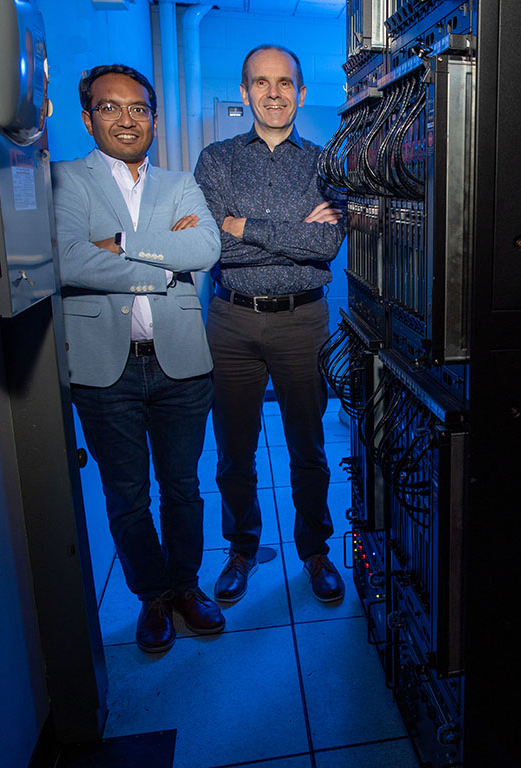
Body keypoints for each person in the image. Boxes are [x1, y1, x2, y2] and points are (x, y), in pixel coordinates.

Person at [53, 64, 224, 653]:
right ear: (88, 117)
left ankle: (184, 587)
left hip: (180, 363)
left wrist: (122, 245)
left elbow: (204, 249)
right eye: (110, 107)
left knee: (182, 488)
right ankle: (151, 595)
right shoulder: (63, 181)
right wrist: (163, 266)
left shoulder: (180, 184)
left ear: (154, 116)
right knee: (127, 495)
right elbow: (69, 261)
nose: (126, 118)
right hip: (104, 369)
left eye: (138, 108)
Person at [194, 45, 346, 604]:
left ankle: (316, 550)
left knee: (308, 446)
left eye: (285, 82)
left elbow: (326, 242)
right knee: (234, 448)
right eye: (262, 82)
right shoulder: (216, 159)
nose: (274, 92)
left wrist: (242, 224)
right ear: (245, 92)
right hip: (230, 321)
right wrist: (287, 233)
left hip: (302, 320)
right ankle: (241, 547)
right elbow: (211, 245)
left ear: (301, 93)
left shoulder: (327, 163)